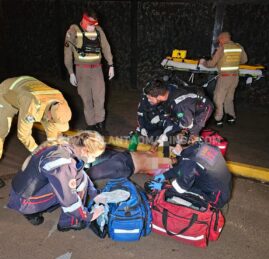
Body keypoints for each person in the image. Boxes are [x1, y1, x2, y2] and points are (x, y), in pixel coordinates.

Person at [7, 131, 106, 231]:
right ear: (85, 150)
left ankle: (33, 211)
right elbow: (70, 201)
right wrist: (89, 216)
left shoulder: (65, 144)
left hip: (21, 193)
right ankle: (69, 222)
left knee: (77, 178)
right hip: (23, 202)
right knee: (77, 185)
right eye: (94, 156)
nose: (94, 159)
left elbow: (80, 173)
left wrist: (94, 194)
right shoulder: (63, 163)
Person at [64, 4, 114, 134]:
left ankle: (100, 124)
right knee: (86, 99)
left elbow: (106, 48)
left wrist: (111, 65)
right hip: (81, 71)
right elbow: (67, 53)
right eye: (91, 24)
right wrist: (71, 73)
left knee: (100, 98)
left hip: (97, 69)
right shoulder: (73, 31)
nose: (93, 27)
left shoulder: (98, 30)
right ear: (85, 21)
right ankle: (91, 125)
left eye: (94, 24)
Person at [0, 76, 72, 159]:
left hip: (28, 89)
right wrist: (38, 151)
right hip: (7, 93)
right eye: (52, 119)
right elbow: (23, 135)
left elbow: (53, 128)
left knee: (51, 123)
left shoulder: (60, 101)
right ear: (49, 113)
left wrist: (53, 150)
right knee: (1, 131)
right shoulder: (32, 106)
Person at [147, 142, 232, 209]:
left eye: (169, 156)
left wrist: (162, 186)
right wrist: (165, 175)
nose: (169, 160)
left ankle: (203, 207)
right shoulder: (200, 146)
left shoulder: (188, 162)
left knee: (177, 193)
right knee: (186, 178)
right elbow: (183, 166)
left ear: (175, 149)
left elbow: (180, 189)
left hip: (215, 199)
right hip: (222, 186)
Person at [144, 79, 213, 146]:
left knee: (190, 135)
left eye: (150, 98)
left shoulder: (180, 105)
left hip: (204, 109)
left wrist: (169, 136)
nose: (149, 100)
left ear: (159, 96)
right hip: (190, 105)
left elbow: (186, 125)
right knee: (176, 130)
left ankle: (195, 149)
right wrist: (162, 118)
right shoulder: (168, 91)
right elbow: (171, 114)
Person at [200, 32, 248, 126]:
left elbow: (212, 64)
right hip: (235, 77)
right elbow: (244, 60)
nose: (219, 42)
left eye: (219, 40)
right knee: (229, 98)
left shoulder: (222, 48)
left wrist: (204, 62)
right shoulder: (239, 47)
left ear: (222, 39)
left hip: (224, 77)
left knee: (218, 98)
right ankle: (231, 118)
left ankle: (218, 119)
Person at [87, 148, 173, 181]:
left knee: (92, 173)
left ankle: (78, 181)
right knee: (92, 156)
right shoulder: (162, 156)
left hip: (125, 165)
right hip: (123, 156)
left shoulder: (163, 167)